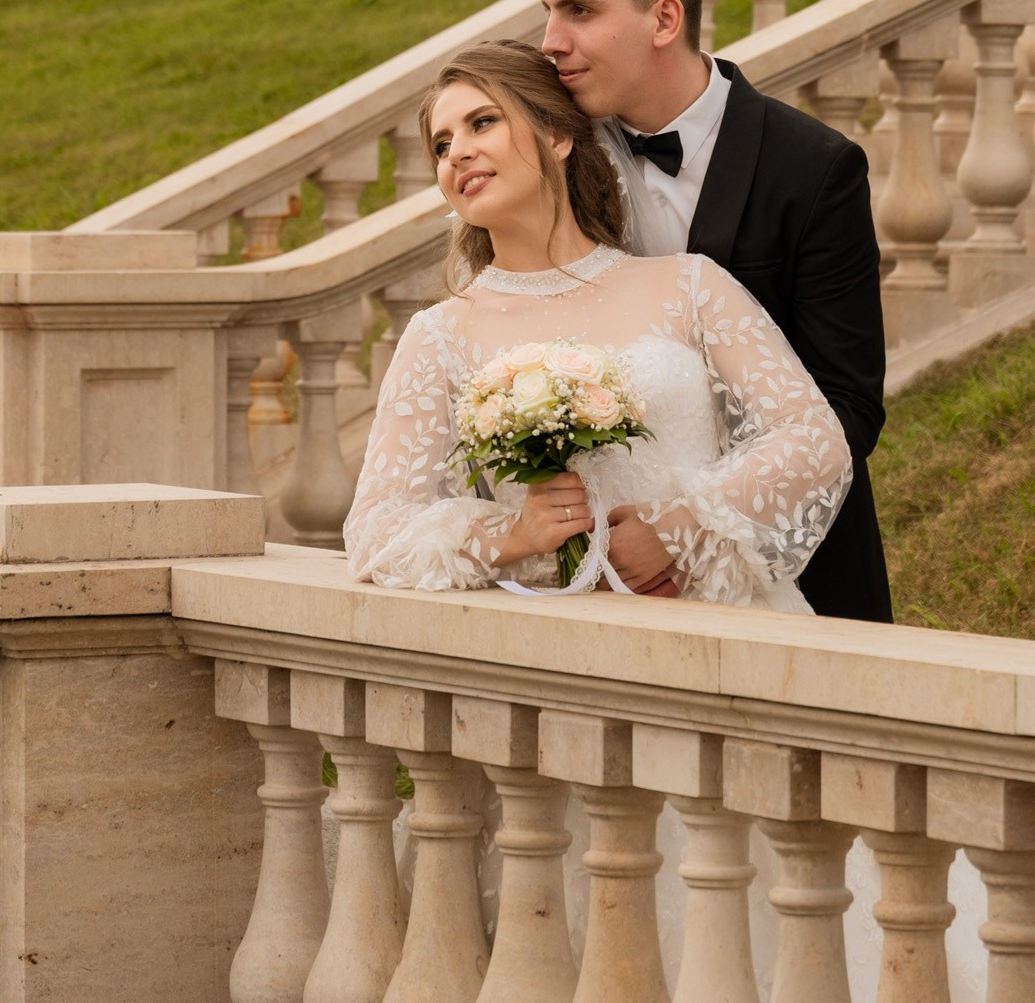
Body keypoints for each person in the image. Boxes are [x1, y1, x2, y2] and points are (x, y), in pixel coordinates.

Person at [344, 40, 852, 609]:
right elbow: (374, 530)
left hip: (723, 625)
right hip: (561, 641)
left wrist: (678, 530)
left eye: (482, 123)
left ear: (558, 137)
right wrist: (513, 536)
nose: (456, 153)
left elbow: (815, 440)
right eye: (441, 145)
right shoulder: (438, 335)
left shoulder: (689, 286)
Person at [539, 0, 893, 622]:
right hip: (599, 575)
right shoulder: (549, 156)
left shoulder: (816, 169)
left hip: (788, 566)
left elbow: (849, 404)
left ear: (665, 20)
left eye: (579, 11)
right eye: (548, 12)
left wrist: (691, 524)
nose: (551, 40)